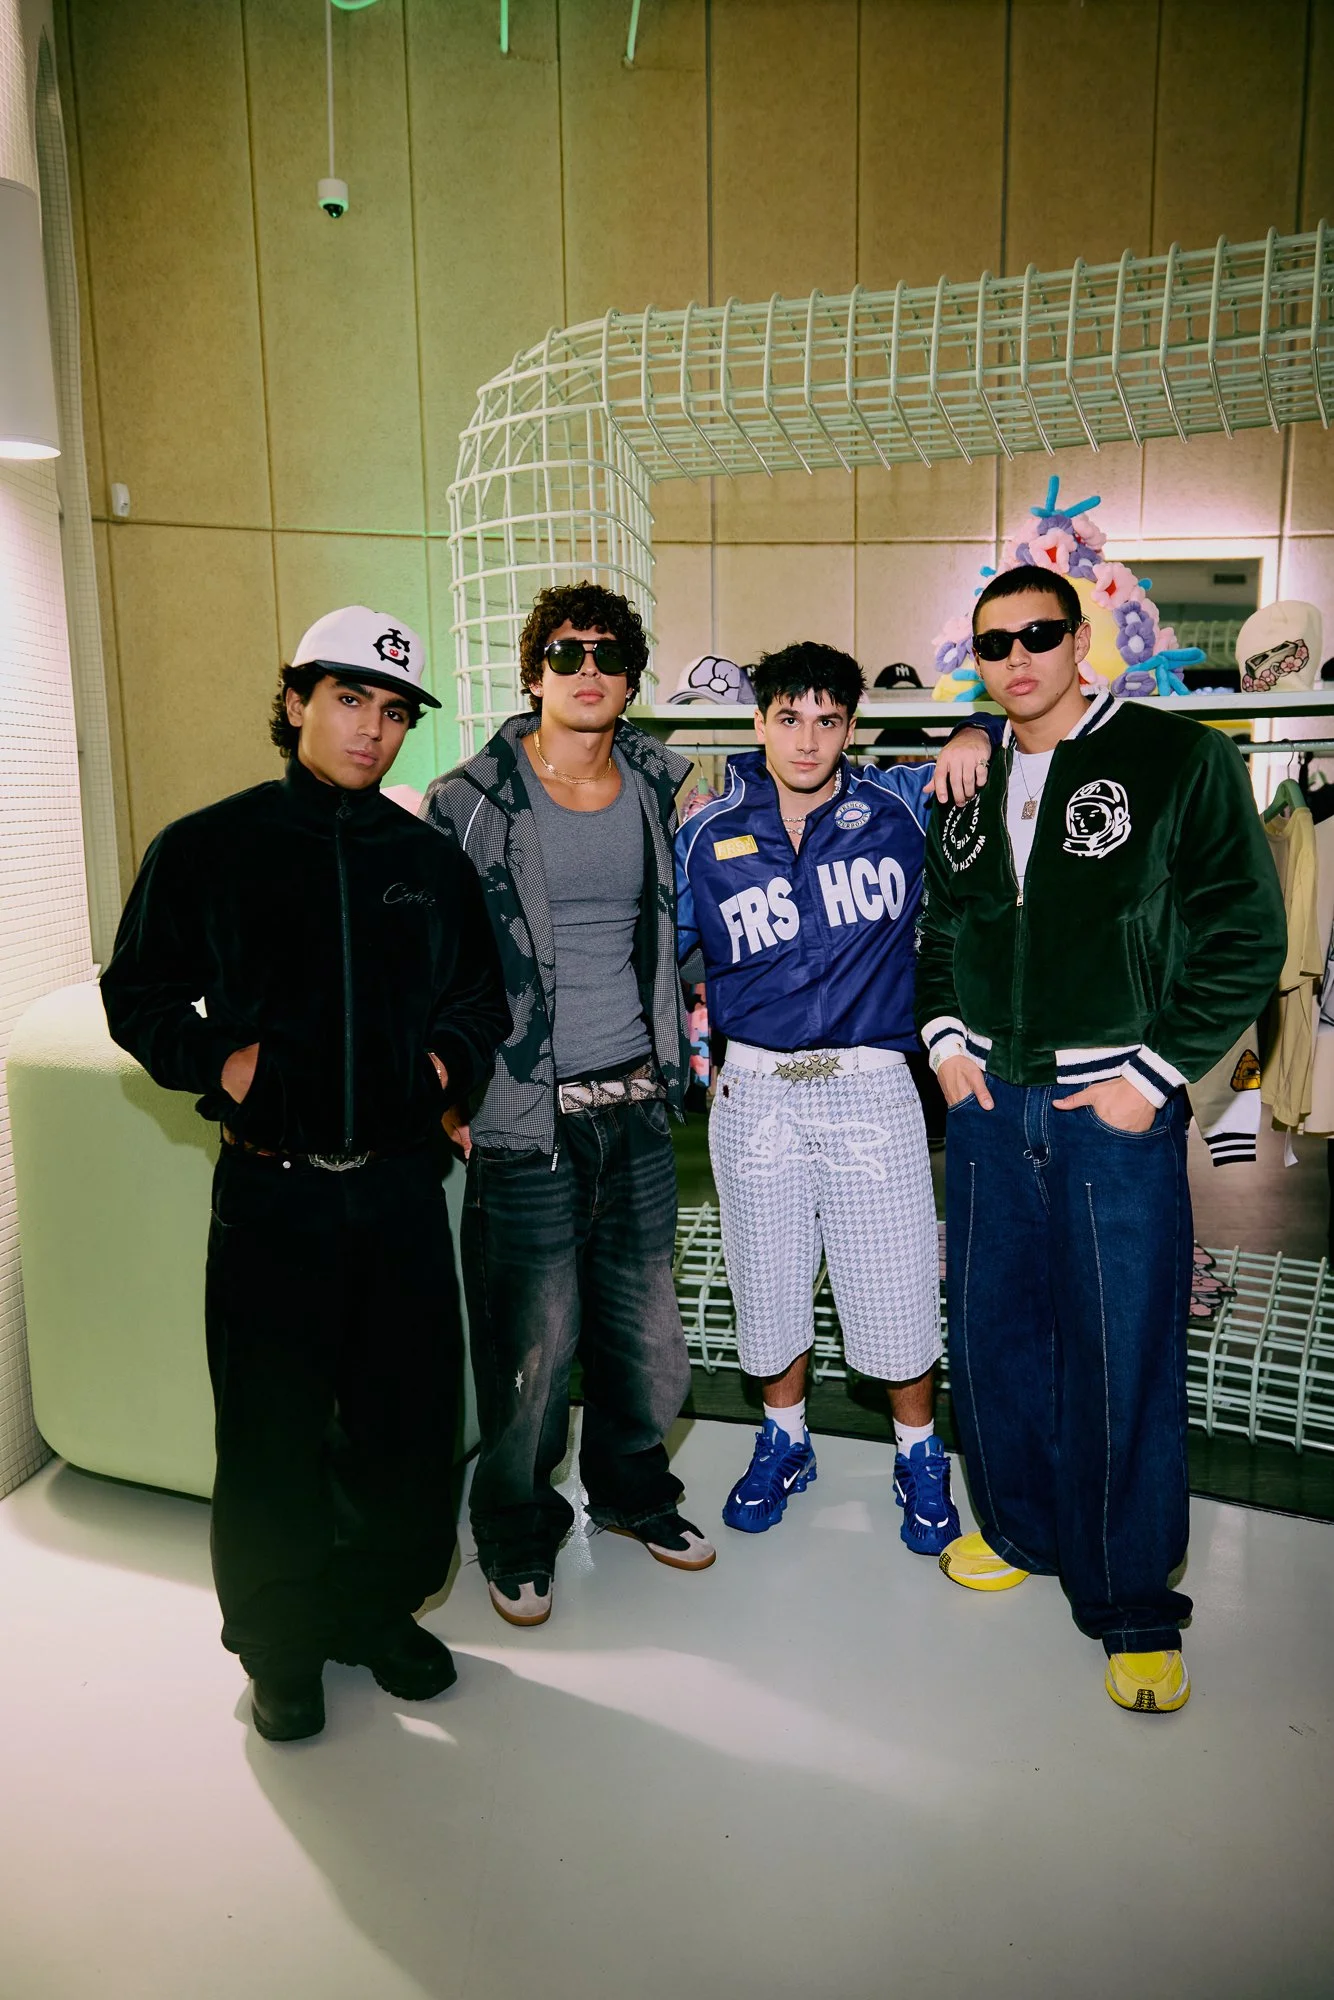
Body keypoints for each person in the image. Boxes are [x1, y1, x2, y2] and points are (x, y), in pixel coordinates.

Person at [101, 607, 510, 1743]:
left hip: (396, 1192)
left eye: (394, 712)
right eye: (348, 699)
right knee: (270, 1432)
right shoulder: (208, 846)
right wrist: (221, 1064)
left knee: (404, 1422)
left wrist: (442, 1065)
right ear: (295, 702)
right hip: (270, 1193)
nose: (372, 729)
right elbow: (137, 994)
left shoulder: (427, 863)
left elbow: (480, 1001)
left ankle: (377, 1611)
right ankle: (279, 1645)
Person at [916, 564, 1287, 1713]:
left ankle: (1130, 1601)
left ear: (1079, 640)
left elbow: (1243, 931)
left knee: (1121, 1351)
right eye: (992, 643)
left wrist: (1152, 1074)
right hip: (989, 1106)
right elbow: (941, 929)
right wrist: (943, 1043)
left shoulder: (1180, 760)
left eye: (1037, 634)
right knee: (991, 1337)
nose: (1016, 657)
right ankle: (1020, 1528)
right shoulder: (964, 778)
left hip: (1111, 1110)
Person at [423, 583, 711, 1629]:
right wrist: (445, 1081)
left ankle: (632, 1491)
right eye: (564, 651)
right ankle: (513, 1526)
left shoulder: (659, 786)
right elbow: (431, 952)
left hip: (634, 1105)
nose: (587, 668)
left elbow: (679, 929)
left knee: (643, 1333)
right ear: (533, 671)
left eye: (607, 653)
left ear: (631, 678)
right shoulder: (471, 798)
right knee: (530, 1347)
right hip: (522, 1111)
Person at [674, 642, 991, 1552]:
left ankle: (919, 1453)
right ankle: (785, 1440)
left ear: (852, 727)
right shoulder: (706, 832)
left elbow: (1031, 726)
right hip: (755, 1088)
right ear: (758, 721)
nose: (807, 739)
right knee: (765, 1279)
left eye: (827, 720)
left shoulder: (899, 802)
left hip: (871, 1083)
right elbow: (658, 953)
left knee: (895, 1283)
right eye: (789, 718)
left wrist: (975, 727)